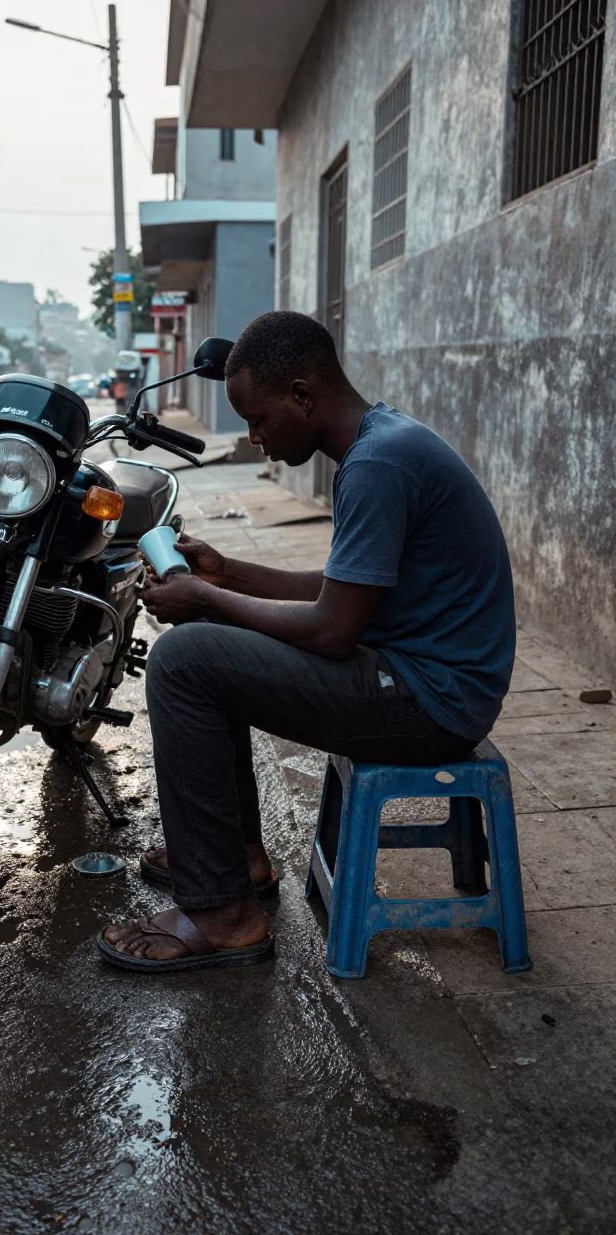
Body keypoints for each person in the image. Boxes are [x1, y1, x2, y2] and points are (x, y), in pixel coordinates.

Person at [96, 311, 516, 973]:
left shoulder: (377, 464)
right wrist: (226, 572)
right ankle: (234, 860)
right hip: (422, 678)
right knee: (208, 641)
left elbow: (331, 628)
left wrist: (204, 598)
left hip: (431, 703)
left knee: (184, 659)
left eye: (259, 420)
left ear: (302, 394)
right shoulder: (383, 444)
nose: (256, 438)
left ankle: (224, 916)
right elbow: (340, 588)